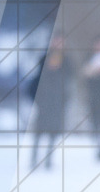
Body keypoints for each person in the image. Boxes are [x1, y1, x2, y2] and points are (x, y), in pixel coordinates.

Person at [29, 35, 74, 170]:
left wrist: (65, 100)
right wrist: (37, 100)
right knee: (39, 132)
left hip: (57, 104)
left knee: (53, 133)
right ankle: (34, 158)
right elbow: (34, 83)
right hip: (43, 103)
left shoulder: (67, 61)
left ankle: (48, 159)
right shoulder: (43, 58)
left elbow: (70, 81)